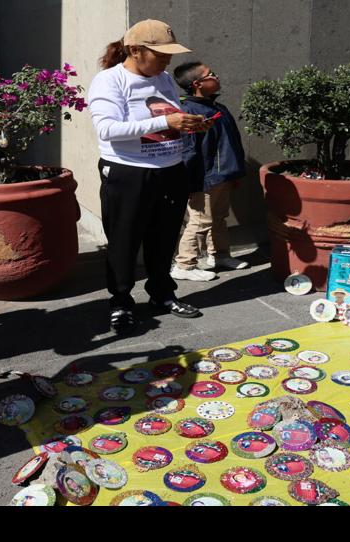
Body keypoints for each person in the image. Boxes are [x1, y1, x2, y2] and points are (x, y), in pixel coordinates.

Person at [88, 19, 209, 327]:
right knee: (124, 241)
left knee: (164, 237)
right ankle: (120, 302)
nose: (168, 62)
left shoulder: (164, 78)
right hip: (128, 173)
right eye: (161, 55)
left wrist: (190, 125)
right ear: (135, 50)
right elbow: (107, 129)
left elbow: (169, 116)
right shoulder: (109, 81)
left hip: (170, 170)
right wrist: (166, 123)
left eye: (170, 55)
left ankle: (163, 294)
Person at [170, 60, 249, 282]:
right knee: (199, 220)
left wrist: (235, 173)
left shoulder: (217, 108)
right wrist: (189, 182)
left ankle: (220, 255)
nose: (217, 76)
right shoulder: (188, 111)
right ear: (198, 83)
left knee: (220, 217)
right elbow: (188, 150)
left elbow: (231, 143)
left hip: (223, 175)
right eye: (211, 74)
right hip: (204, 179)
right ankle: (184, 264)